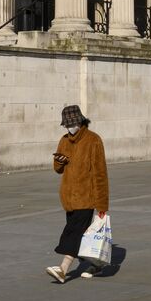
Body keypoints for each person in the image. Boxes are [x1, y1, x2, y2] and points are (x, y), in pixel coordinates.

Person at [46, 104, 109, 283]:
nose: (69, 128)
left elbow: (100, 173)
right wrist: (59, 161)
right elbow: (57, 169)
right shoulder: (64, 140)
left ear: (81, 122)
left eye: (71, 124)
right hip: (69, 197)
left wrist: (102, 205)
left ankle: (63, 268)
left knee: (72, 232)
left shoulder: (93, 140)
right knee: (81, 234)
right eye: (66, 125)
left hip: (86, 197)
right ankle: (96, 264)